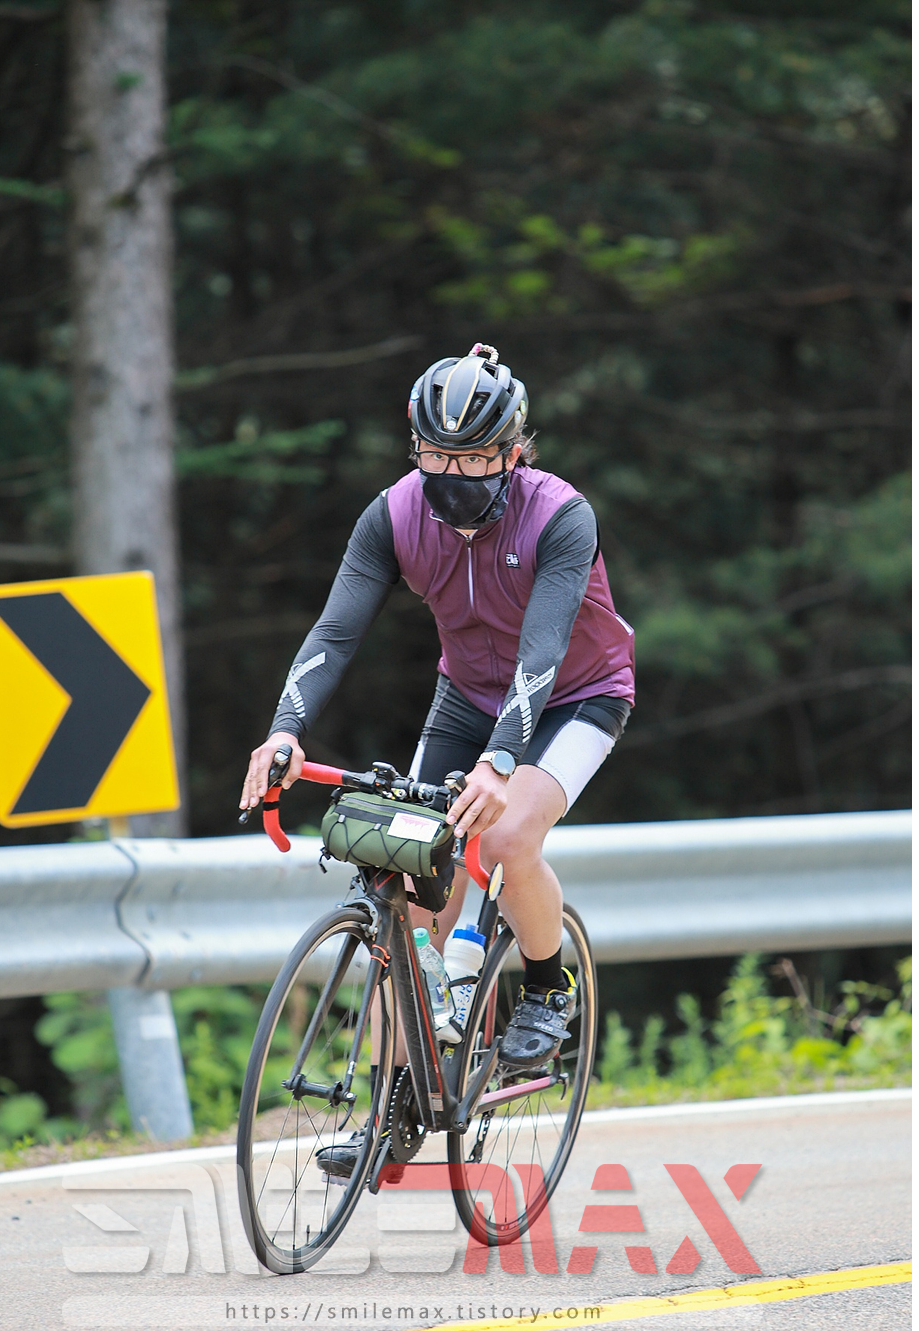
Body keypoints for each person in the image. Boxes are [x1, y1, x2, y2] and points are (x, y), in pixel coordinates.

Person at [239, 344, 635, 1166]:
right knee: (409, 893)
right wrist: (285, 728)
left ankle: (547, 985)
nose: (452, 474)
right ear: (415, 447)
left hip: (576, 695)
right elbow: (335, 631)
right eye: (436, 455)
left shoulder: (560, 516)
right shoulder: (391, 516)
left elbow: (542, 652)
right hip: (466, 697)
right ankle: (393, 1112)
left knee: (508, 835)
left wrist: (502, 762)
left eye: (475, 458)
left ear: (514, 453)